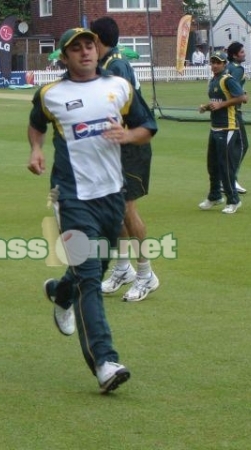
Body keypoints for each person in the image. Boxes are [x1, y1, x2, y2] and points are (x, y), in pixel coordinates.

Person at [27, 28, 157, 393]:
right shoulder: (51, 94)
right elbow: (36, 125)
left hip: (113, 195)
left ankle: (60, 292)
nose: (85, 52)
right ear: (64, 57)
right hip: (73, 198)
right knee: (90, 279)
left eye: (89, 45)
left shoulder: (120, 87)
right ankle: (105, 362)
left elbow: (148, 125)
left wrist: (128, 136)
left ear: (97, 49)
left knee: (94, 269)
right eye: (76, 48)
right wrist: (36, 150)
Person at [90, 16, 159, 302]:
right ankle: (123, 268)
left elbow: (120, 107)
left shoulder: (116, 66)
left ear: (97, 38)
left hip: (131, 145)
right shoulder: (107, 64)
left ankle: (146, 275)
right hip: (116, 147)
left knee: (127, 211)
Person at [198, 51, 247, 214]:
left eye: (218, 62)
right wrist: (206, 107)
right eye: (212, 62)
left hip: (228, 128)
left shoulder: (228, 79)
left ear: (224, 64)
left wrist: (221, 105)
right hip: (215, 127)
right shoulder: (213, 81)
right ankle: (214, 196)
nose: (214, 65)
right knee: (212, 165)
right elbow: (216, 102)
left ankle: (233, 200)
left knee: (225, 166)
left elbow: (242, 97)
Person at [227, 41, 249, 195]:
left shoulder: (226, 67)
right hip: (234, 111)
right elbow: (233, 87)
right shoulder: (237, 69)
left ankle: (227, 179)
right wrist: (243, 95)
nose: (244, 54)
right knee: (242, 145)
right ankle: (230, 179)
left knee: (231, 147)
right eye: (241, 52)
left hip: (227, 111)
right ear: (235, 55)